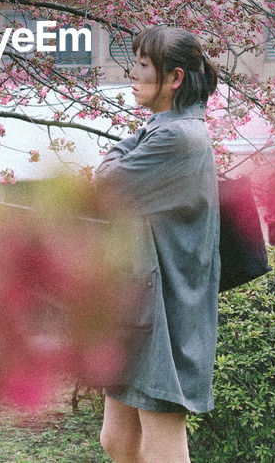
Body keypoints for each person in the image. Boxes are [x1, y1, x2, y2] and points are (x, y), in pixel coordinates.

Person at [94, 25, 220, 463]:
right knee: (118, 440)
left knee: (164, 450)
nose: (132, 73)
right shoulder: (163, 130)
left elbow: (107, 185)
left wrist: (113, 158)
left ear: (175, 78)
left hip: (166, 318)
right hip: (142, 309)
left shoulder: (177, 138)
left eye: (143, 66)